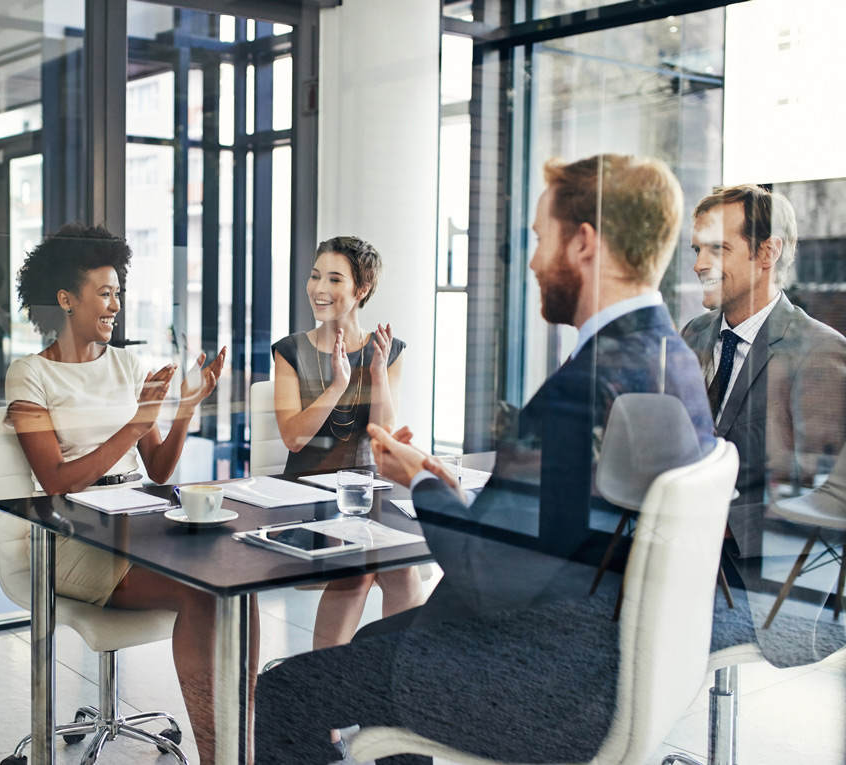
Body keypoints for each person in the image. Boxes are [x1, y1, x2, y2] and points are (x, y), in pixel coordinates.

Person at [254, 155, 716, 765]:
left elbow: (485, 575)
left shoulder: (583, 389)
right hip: (610, 661)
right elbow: (565, 527)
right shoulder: (674, 358)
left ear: (583, 243)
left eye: (538, 239)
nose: (530, 261)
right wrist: (456, 490)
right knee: (373, 640)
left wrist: (423, 481)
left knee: (285, 689)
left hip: (533, 682)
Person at [4, 223, 246, 763]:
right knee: (197, 593)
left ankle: (244, 743)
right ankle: (217, 756)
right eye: (105, 293)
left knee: (235, 587)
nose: (116, 305)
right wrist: (137, 424)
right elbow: (57, 483)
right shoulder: (30, 375)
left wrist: (185, 408)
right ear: (67, 299)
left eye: (119, 292)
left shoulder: (127, 364)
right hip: (67, 534)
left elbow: (158, 470)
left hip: (134, 521)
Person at [271, 236, 424, 759]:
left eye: (334, 279)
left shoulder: (389, 349)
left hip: (367, 489)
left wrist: (376, 371)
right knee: (357, 569)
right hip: (308, 493)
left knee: (404, 569)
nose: (319, 287)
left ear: (361, 289)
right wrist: (337, 384)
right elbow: (292, 437)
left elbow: (381, 436)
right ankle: (326, 715)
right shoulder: (290, 351)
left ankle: (396, 704)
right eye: (316, 275)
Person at [683, 185, 846, 661]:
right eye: (697, 249)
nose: (697, 264)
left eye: (717, 248)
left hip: (757, 579)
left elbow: (822, 499)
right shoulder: (694, 334)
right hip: (683, 556)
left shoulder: (819, 353)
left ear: (767, 253)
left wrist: (717, 524)